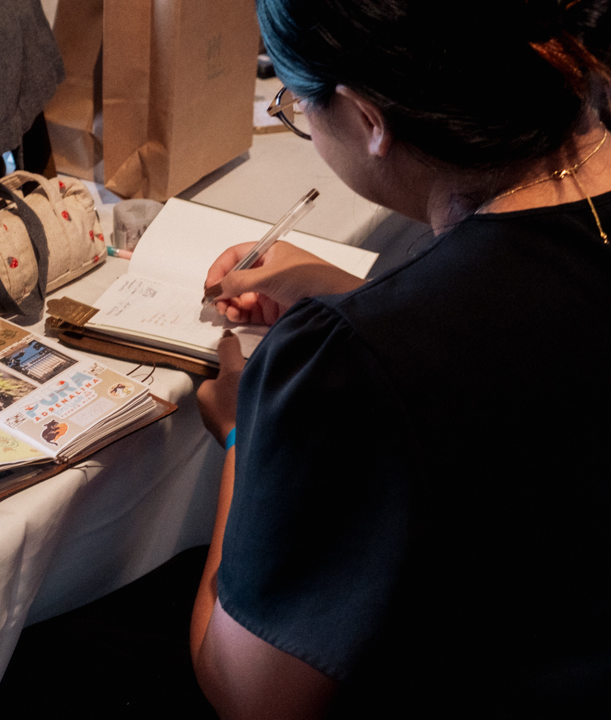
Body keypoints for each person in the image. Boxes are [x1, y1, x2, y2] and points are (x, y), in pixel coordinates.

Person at [190, 1, 611, 718]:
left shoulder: (352, 367)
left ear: (367, 117)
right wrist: (357, 298)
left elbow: (252, 695)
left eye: (298, 107)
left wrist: (243, 436)